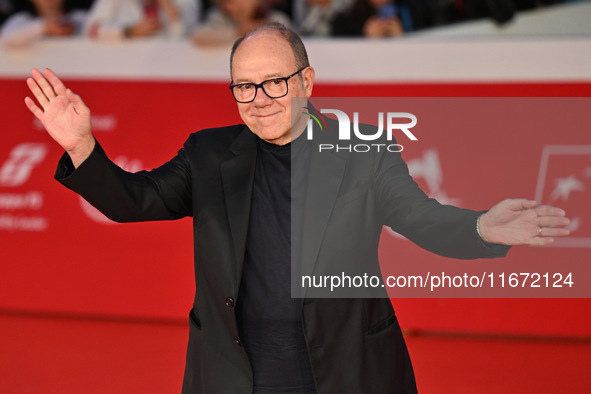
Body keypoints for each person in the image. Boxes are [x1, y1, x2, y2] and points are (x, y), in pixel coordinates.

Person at [24, 22, 570, 393]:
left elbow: (420, 218)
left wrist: (482, 227)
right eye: (243, 87)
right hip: (237, 373)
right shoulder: (209, 153)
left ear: (306, 81)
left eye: (274, 82)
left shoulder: (364, 149)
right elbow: (132, 202)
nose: (258, 100)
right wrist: (81, 147)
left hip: (343, 370)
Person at [84, 0, 200, 41]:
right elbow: (90, 30)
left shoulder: (187, 2)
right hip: (124, 72)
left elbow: (188, 37)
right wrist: (129, 31)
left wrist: (166, 5)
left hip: (169, 76)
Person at [191, 0, 290, 47]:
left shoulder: (274, 17)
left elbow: (292, 39)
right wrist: (238, 32)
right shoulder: (221, 18)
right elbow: (199, 35)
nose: (228, 7)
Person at [0, 0, 87, 49]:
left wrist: (73, 29)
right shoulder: (22, 19)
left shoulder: (79, 18)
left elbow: (96, 29)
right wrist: (45, 27)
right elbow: (7, 38)